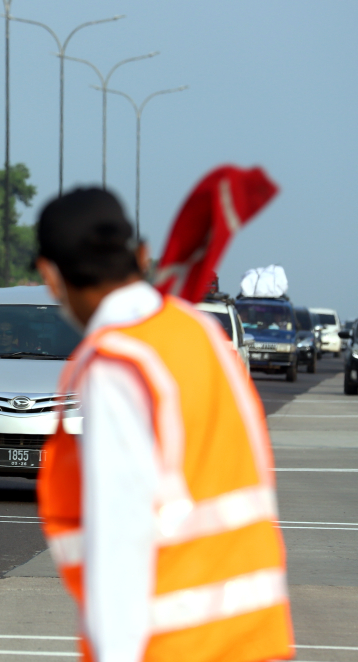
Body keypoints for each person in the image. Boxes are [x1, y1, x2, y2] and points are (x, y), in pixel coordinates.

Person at [34, 188, 292, 662]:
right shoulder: (200, 335)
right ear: (142, 255)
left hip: (172, 646)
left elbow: (119, 538)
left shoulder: (117, 362)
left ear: (49, 275)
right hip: (257, 640)